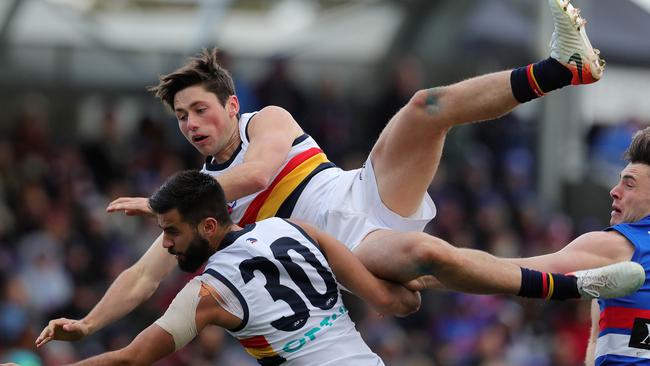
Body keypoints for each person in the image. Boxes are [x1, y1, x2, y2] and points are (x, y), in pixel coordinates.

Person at [37, 0, 627, 344]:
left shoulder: (265, 122)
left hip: (362, 188)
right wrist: (87, 325)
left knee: (425, 107)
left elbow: (260, 171)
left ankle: (563, 68)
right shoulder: (198, 204)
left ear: (232, 106)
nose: (191, 123)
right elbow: (143, 277)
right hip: (353, 249)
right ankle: (574, 288)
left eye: (200, 109)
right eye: (180, 117)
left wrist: (170, 198)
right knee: (430, 257)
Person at [39, 170, 421, 365]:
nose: (167, 243)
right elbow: (397, 302)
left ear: (208, 226)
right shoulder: (292, 227)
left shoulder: (210, 290)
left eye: (172, 232)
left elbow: (131, 358)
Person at [502, 127, 650, 365]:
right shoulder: (617, 254)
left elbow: (513, 273)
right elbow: (595, 342)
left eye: (629, 185)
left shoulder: (621, 246)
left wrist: (436, 268)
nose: (614, 191)